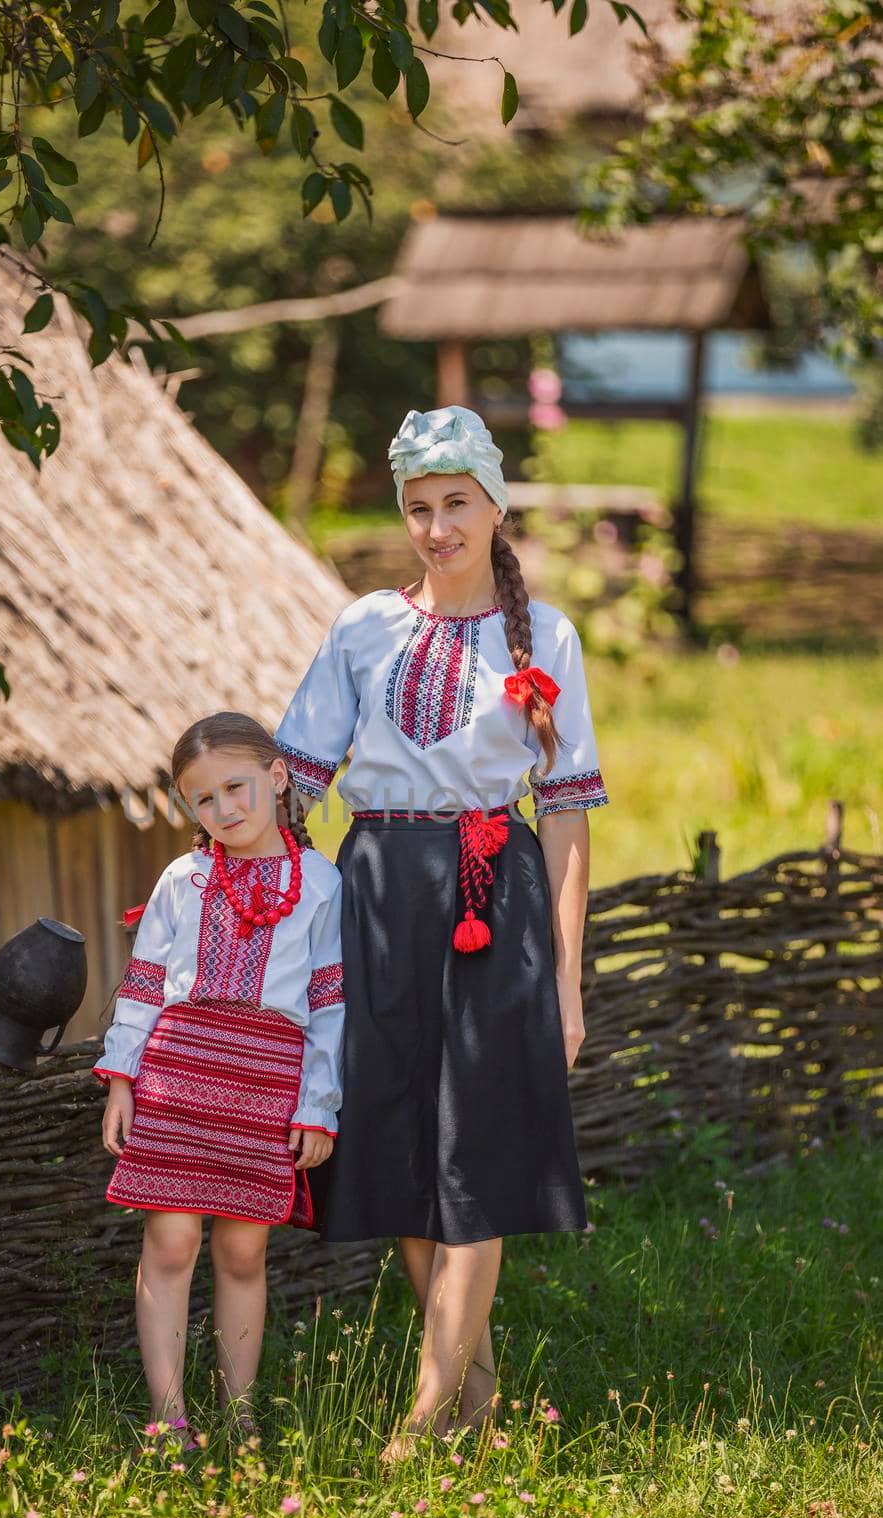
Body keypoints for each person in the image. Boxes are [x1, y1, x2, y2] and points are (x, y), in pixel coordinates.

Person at [272, 404, 609, 1464]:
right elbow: (295, 787)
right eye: (418, 506)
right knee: (404, 1142)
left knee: (478, 1144)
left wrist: (564, 981)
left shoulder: (544, 636)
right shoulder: (362, 627)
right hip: (372, 889)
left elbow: (562, 818)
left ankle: (421, 1418)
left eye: (455, 502)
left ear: (494, 505)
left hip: (490, 890)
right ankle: (474, 1391)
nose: (435, 526)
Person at [93, 712, 344, 1448]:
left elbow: (331, 1006)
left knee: (242, 1254)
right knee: (169, 1247)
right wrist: (121, 1081)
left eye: (236, 787)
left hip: (267, 1085)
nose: (224, 809)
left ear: (276, 777)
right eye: (203, 799)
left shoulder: (322, 884)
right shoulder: (184, 878)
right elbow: (141, 985)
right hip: (177, 1080)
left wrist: (317, 1105)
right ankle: (168, 1420)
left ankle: (239, 1420)